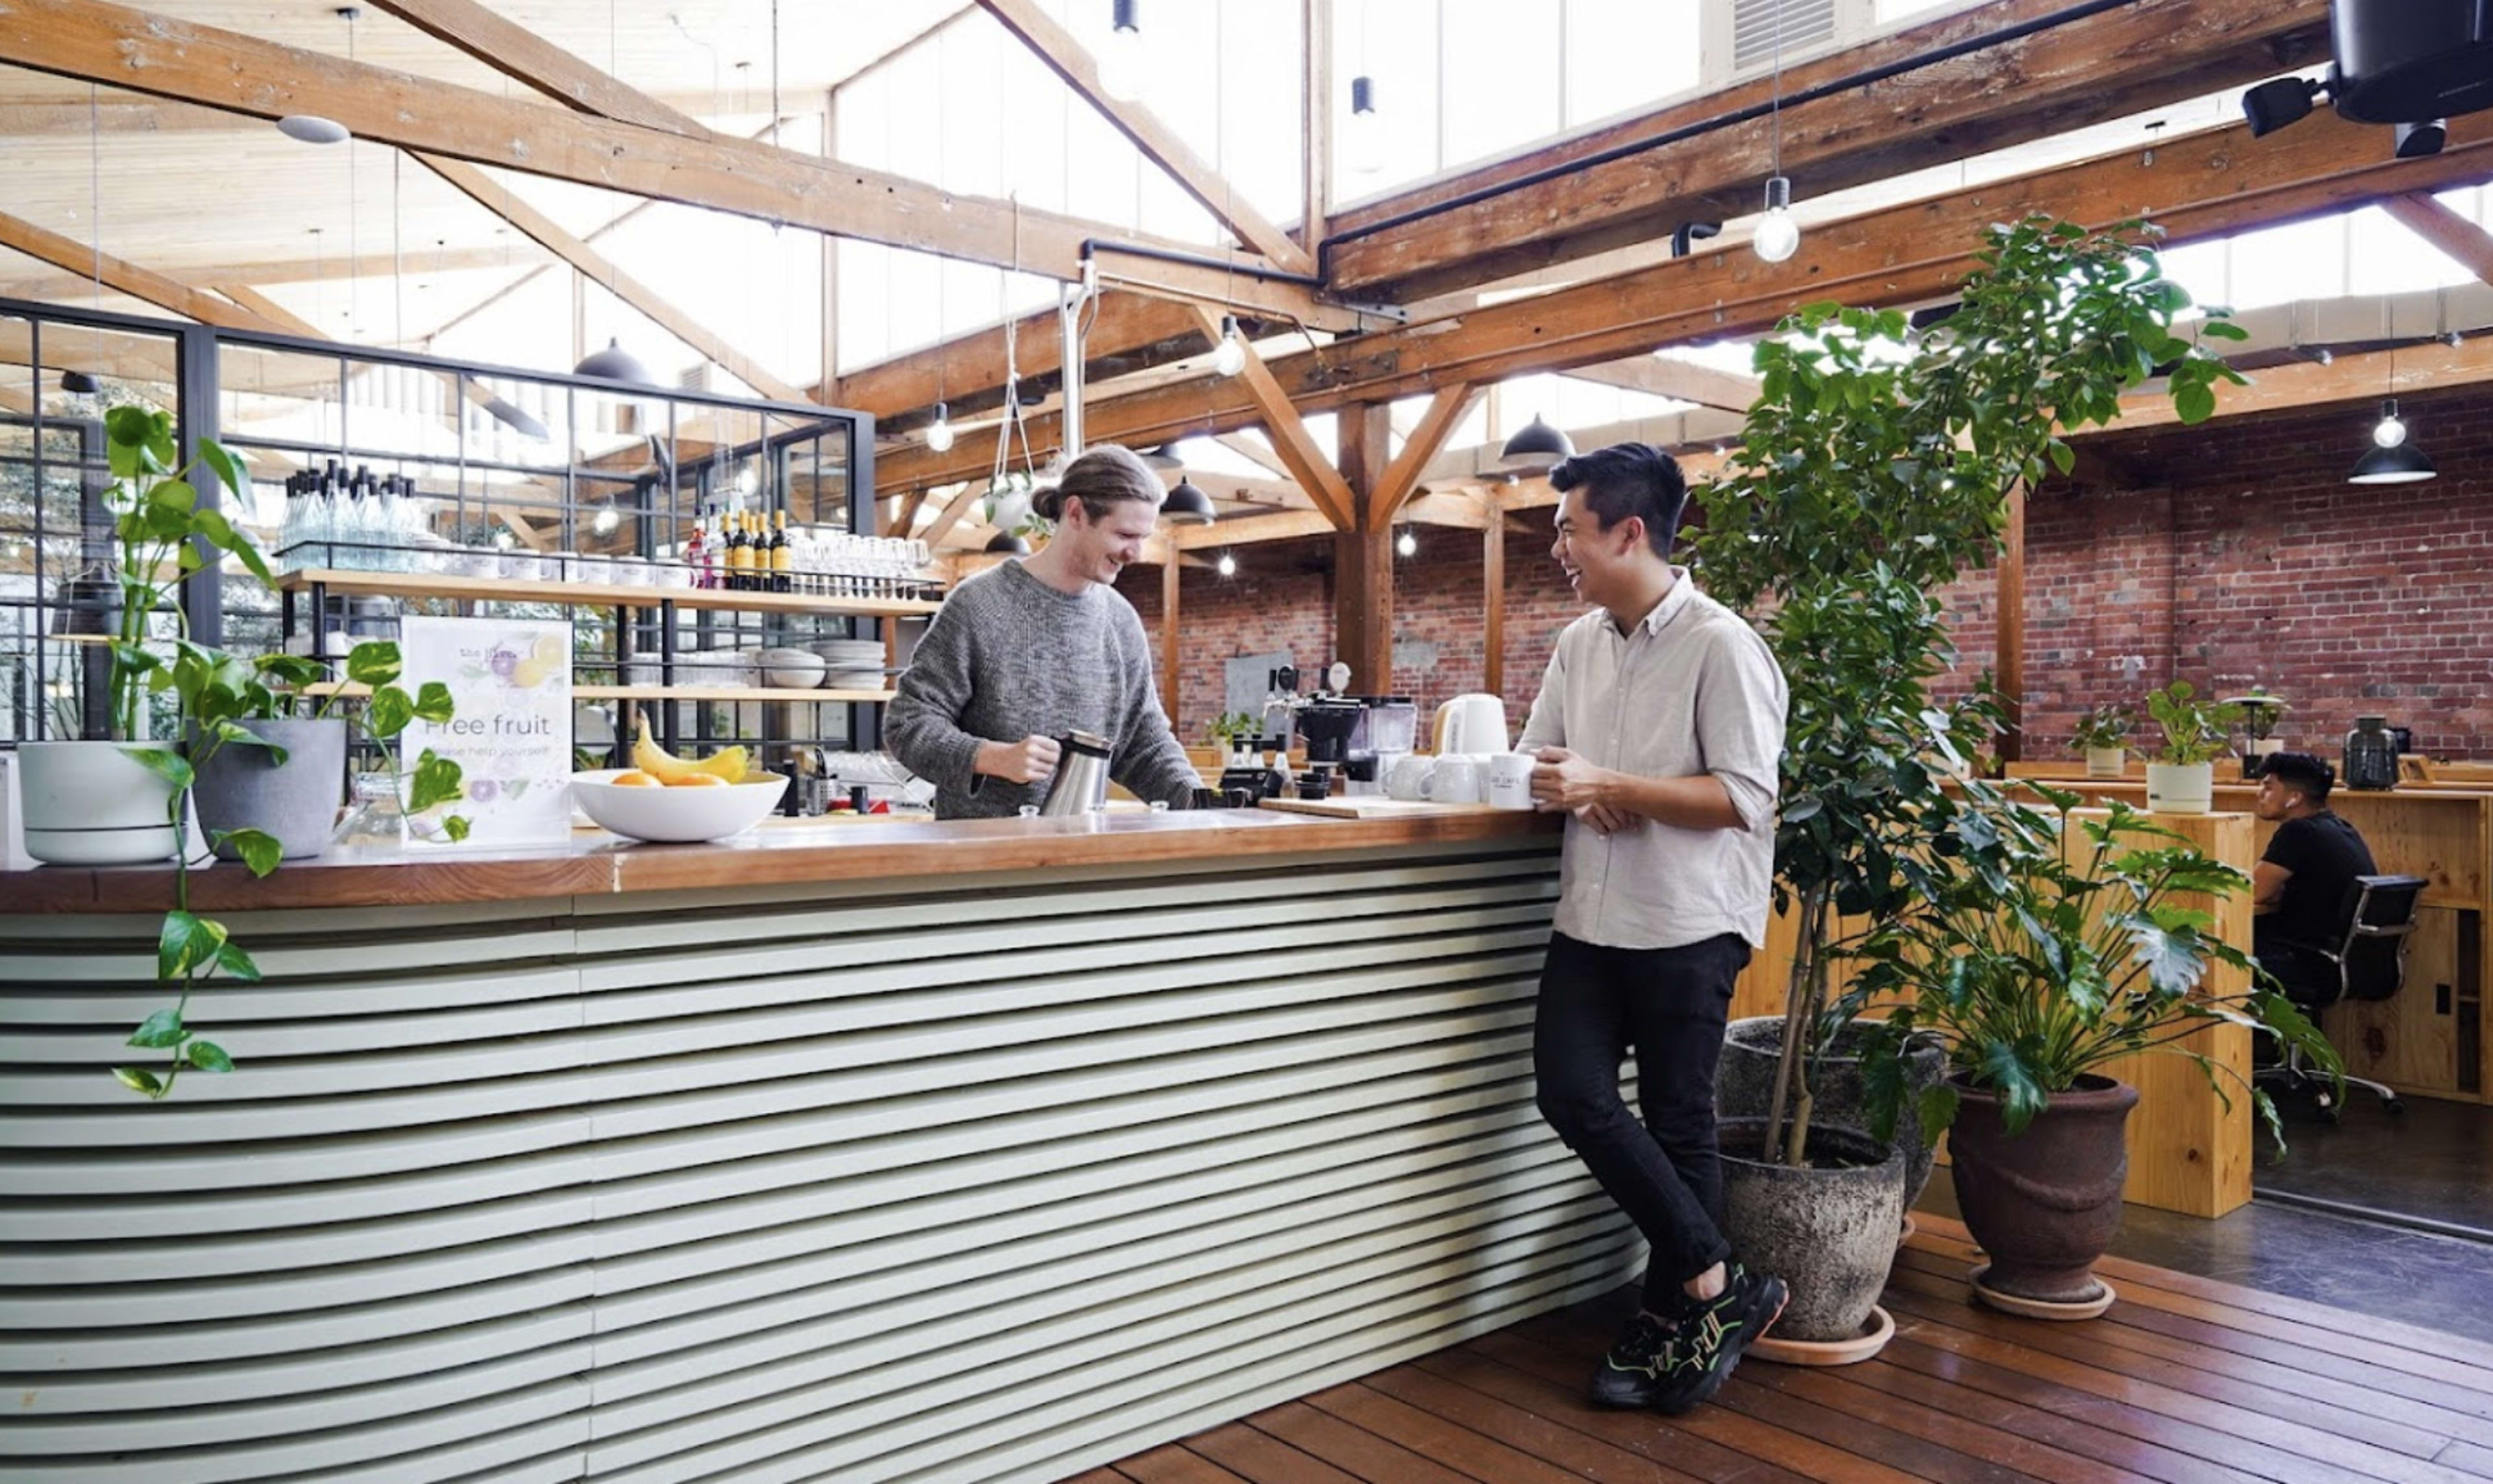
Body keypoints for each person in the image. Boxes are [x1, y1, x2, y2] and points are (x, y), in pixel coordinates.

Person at [1513, 440, 1791, 1416]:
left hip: (1687, 921)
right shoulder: (1576, 643)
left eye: (1568, 528)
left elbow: (1749, 797)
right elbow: (1538, 759)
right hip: (1589, 915)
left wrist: (1615, 784)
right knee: (1570, 1092)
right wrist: (1568, 782)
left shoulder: (1723, 644)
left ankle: (1670, 1315)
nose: (1557, 547)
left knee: (1680, 1123)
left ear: (1629, 531)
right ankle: (1723, 1281)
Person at [887, 444, 1200, 820]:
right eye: (1124, 535)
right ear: (1076, 513)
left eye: (1142, 538)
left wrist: (1204, 803)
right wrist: (992, 758)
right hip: (980, 862)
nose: (1136, 553)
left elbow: (1144, 747)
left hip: (1080, 859)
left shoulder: (1120, 622)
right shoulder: (979, 605)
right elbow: (908, 723)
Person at [2250, 751, 2377, 993]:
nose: (2260, 794)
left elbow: (2253, 893)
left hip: (2307, 962)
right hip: (2349, 961)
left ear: (2294, 798)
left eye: (2268, 787)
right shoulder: (2340, 827)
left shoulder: (2298, 832)